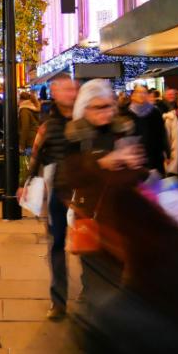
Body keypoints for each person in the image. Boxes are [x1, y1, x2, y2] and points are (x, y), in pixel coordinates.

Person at [63, 79, 142, 306]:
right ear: (84, 107)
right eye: (99, 107)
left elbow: (137, 174)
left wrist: (135, 165)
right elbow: (69, 176)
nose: (107, 112)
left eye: (109, 105)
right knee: (94, 275)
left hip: (120, 215)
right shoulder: (75, 135)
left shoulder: (123, 130)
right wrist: (101, 162)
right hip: (91, 216)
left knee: (118, 275)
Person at [25, 73, 77, 320]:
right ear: (54, 92)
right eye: (65, 89)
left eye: (73, 88)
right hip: (58, 191)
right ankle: (59, 301)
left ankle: (91, 295)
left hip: (84, 191)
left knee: (89, 243)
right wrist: (27, 183)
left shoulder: (85, 119)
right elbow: (37, 154)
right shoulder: (48, 124)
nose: (71, 93)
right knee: (57, 244)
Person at [123, 84, 168, 175]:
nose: (141, 95)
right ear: (133, 95)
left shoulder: (154, 111)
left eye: (144, 92)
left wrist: (166, 153)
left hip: (154, 157)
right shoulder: (126, 113)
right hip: (134, 159)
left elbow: (162, 133)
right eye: (138, 92)